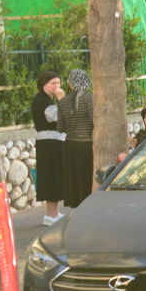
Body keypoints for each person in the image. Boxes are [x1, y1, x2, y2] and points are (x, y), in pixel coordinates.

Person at [55, 67, 94, 209]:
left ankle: (76, 206)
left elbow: (61, 127)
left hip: (70, 146)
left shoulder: (63, 101)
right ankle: (88, 206)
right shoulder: (89, 98)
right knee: (86, 177)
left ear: (71, 83)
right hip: (86, 145)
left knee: (74, 178)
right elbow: (93, 121)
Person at [31, 70, 66, 225]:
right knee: (51, 176)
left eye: (58, 83)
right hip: (48, 145)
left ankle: (55, 213)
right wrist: (62, 99)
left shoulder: (48, 100)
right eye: (53, 83)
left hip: (54, 142)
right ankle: (50, 215)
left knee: (56, 176)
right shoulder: (42, 101)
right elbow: (58, 117)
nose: (56, 86)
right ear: (44, 84)